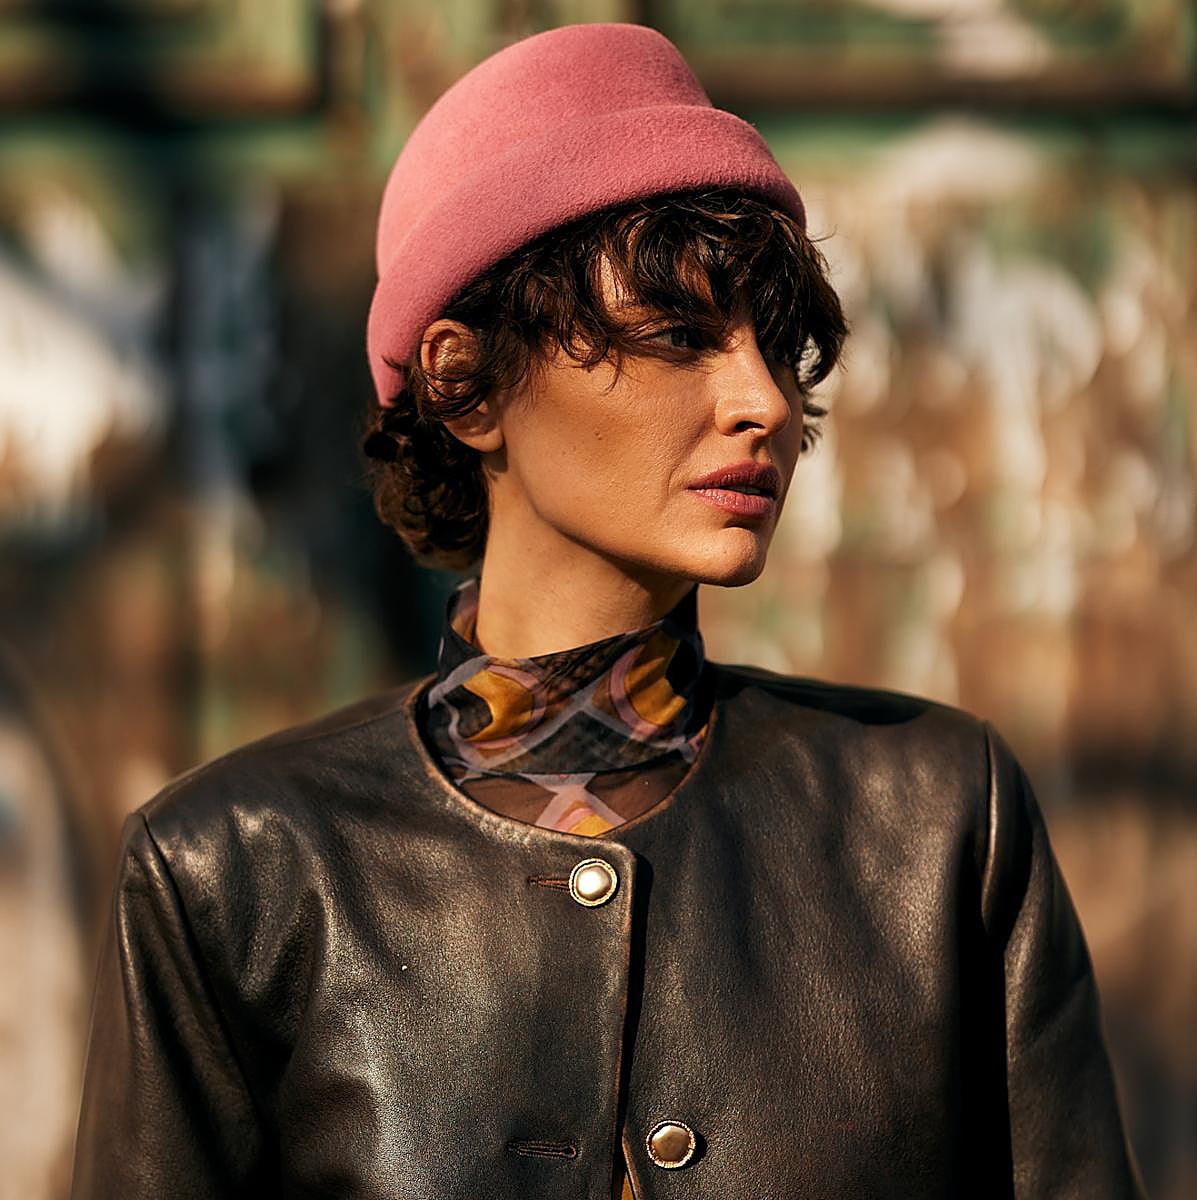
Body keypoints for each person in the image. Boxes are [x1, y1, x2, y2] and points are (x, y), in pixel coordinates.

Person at [71, 22, 1148, 1200]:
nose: (765, 405)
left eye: (779, 351)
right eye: (682, 335)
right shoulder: (233, 870)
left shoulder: (939, 821)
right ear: (463, 381)